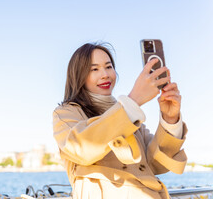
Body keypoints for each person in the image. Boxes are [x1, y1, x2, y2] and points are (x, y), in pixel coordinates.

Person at [52, 42, 187, 199]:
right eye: (94, 69)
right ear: (78, 75)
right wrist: (134, 100)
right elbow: (80, 148)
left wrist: (170, 119)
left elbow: (156, 164)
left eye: (109, 67)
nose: (105, 74)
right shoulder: (66, 113)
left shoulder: (128, 116)